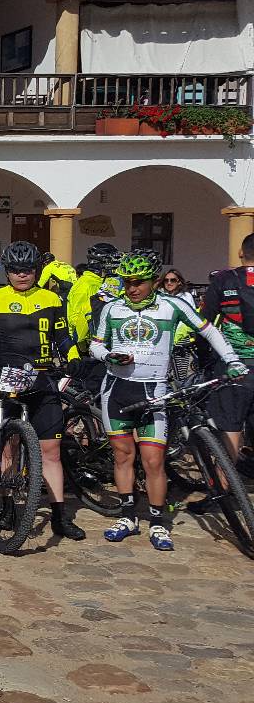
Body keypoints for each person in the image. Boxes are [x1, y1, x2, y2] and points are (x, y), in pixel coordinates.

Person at [92, 251, 244, 552]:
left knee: (153, 461)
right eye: (127, 282)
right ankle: (127, 517)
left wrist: (231, 359)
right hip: (117, 390)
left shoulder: (172, 305)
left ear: (154, 281)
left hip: (155, 392)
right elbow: (95, 345)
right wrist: (108, 355)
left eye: (138, 282)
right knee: (123, 457)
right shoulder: (112, 308)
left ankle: (158, 521)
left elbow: (209, 331)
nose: (132, 288)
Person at [0, 240, 85, 540]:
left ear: (37, 271)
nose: (22, 275)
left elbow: (62, 335)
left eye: (28, 270)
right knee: (8, 447)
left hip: (43, 378)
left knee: (51, 451)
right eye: (15, 270)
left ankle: (59, 516)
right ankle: (7, 506)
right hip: (7, 378)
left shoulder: (50, 298)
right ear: (6, 272)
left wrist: (73, 356)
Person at [202, 235, 254, 470]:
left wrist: (205, 358)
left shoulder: (224, 279)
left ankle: (225, 486)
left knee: (230, 427)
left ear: (241, 253)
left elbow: (204, 323)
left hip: (235, 367)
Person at [67, 242, 122, 393]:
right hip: (86, 346)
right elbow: (76, 318)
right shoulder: (86, 285)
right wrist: (84, 345)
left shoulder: (101, 283)